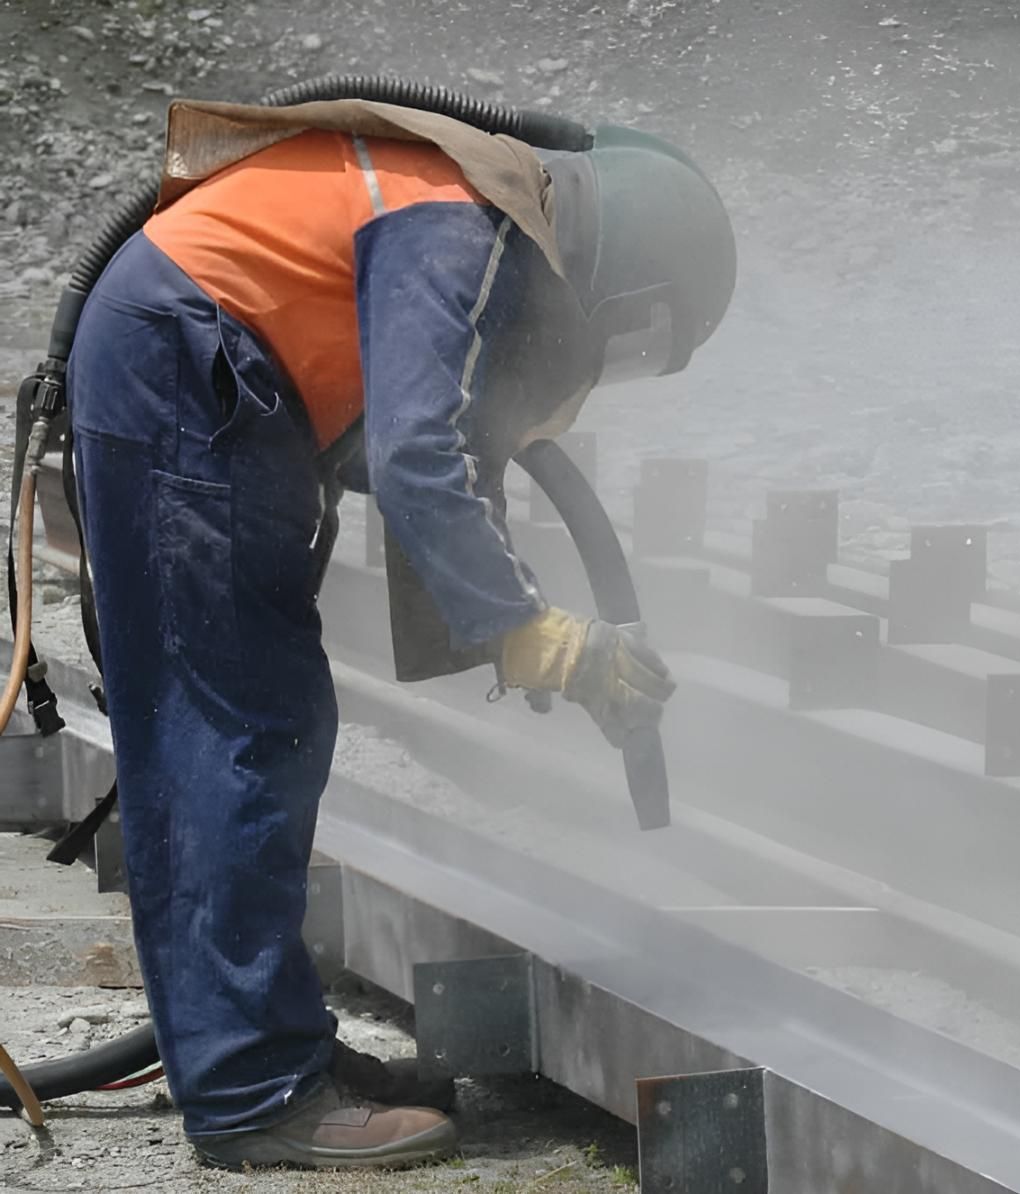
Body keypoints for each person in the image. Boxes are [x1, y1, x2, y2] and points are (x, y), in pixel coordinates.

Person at [64, 97, 735, 1170]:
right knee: (235, 729)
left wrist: (530, 636)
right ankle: (254, 1092)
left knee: (266, 719)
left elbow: (432, 450)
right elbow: (419, 458)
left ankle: (276, 1050)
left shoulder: (467, 210)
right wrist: (534, 634)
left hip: (198, 364)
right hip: (187, 367)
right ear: (623, 278)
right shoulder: (458, 225)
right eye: (636, 341)